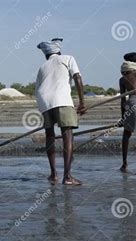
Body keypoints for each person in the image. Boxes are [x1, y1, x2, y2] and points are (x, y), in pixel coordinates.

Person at [35, 38, 87, 186]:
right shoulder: (68, 58)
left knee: (50, 136)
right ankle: (68, 177)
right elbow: (77, 77)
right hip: (62, 99)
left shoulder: (42, 66)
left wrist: (43, 107)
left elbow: (37, 89)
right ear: (59, 51)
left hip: (44, 101)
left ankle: (53, 175)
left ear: (46, 55)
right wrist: (82, 103)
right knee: (67, 135)